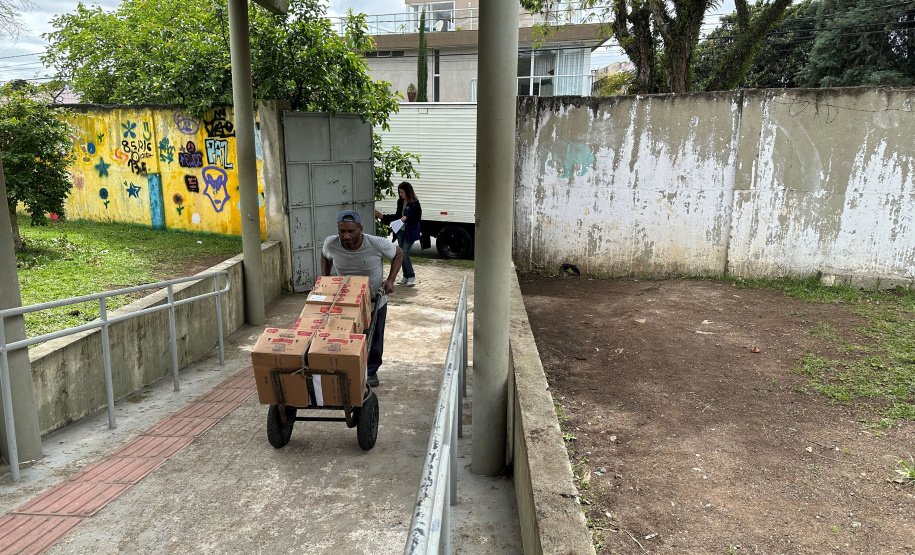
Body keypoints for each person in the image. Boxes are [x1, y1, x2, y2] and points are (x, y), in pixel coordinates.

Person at [321, 210, 403, 388]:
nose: (346, 236)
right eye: (342, 231)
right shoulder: (331, 243)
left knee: (373, 338)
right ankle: (346, 369)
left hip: (374, 299)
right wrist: (326, 279)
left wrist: (390, 281)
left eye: (351, 231)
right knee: (344, 336)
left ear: (360, 229)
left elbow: (398, 253)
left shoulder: (376, 243)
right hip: (345, 301)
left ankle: (371, 371)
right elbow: (326, 255)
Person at [375, 181, 422, 286]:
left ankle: (411, 275)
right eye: (399, 192)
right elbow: (397, 216)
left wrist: (407, 218)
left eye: (402, 192)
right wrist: (384, 217)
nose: (400, 194)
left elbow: (417, 218)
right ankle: (405, 276)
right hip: (400, 231)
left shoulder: (415, 203)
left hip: (411, 232)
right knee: (401, 254)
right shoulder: (400, 202)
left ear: (408, 192)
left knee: (404, 253)